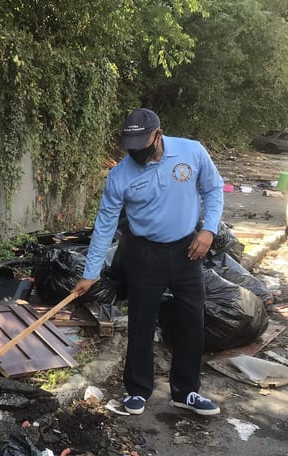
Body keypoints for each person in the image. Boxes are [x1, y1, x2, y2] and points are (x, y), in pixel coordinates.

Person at [70, 108, 224, 416]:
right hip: (143, 253)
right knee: (141, 322)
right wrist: (91, 272)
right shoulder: (120, 175)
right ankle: (137, 391)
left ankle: (186, 391)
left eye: (143, 143)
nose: (137, 152)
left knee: (192, 321)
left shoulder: (191, 152)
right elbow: (105, 224)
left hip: (187, 250)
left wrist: (208, 230)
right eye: (131, 146)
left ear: (158, 134)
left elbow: (214, 189)